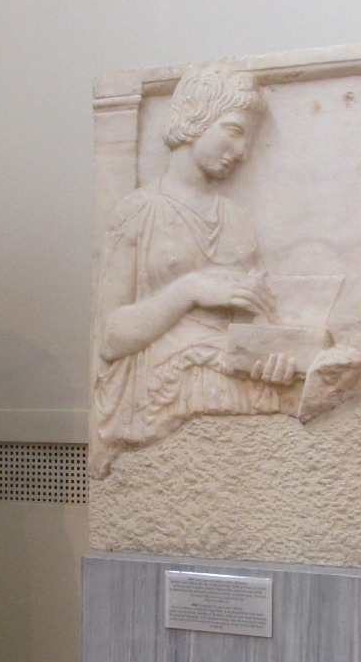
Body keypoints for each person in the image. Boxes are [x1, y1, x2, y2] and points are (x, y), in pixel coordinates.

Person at [90, 64, 297, 477]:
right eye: (233, 130)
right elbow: (111, 339)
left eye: (248, 139)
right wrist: (189, 289)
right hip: (161, 393)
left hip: (230, 391)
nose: (242, 151)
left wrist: (274, 356)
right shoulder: (140, 211)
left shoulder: (235, 219)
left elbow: (258, 322)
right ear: (194, 117)